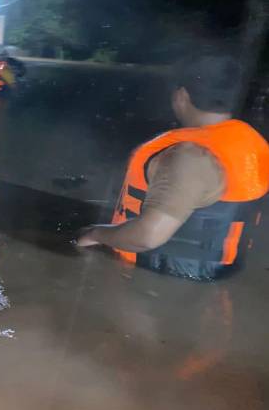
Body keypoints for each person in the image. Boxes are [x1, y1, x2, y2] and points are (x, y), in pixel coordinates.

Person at [77, 53, 269, 280]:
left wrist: (95, 234)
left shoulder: (189, 157)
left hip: (155, 278)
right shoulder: (252, 143)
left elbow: (148, 236)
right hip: (217, 275)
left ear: (181, 96)